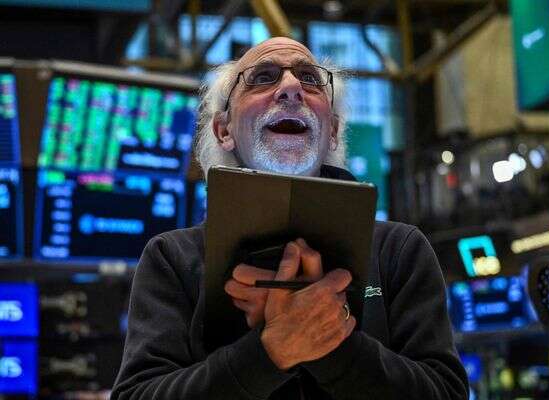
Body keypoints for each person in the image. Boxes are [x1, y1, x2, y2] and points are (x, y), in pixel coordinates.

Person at [111, 37, 469, 399]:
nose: (292, 87)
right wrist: (268, 353)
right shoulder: (172, 258)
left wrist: (333, 343)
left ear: (332, 131)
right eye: (262, 77)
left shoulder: (399, 250)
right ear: (224, 130)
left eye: (310, 78)